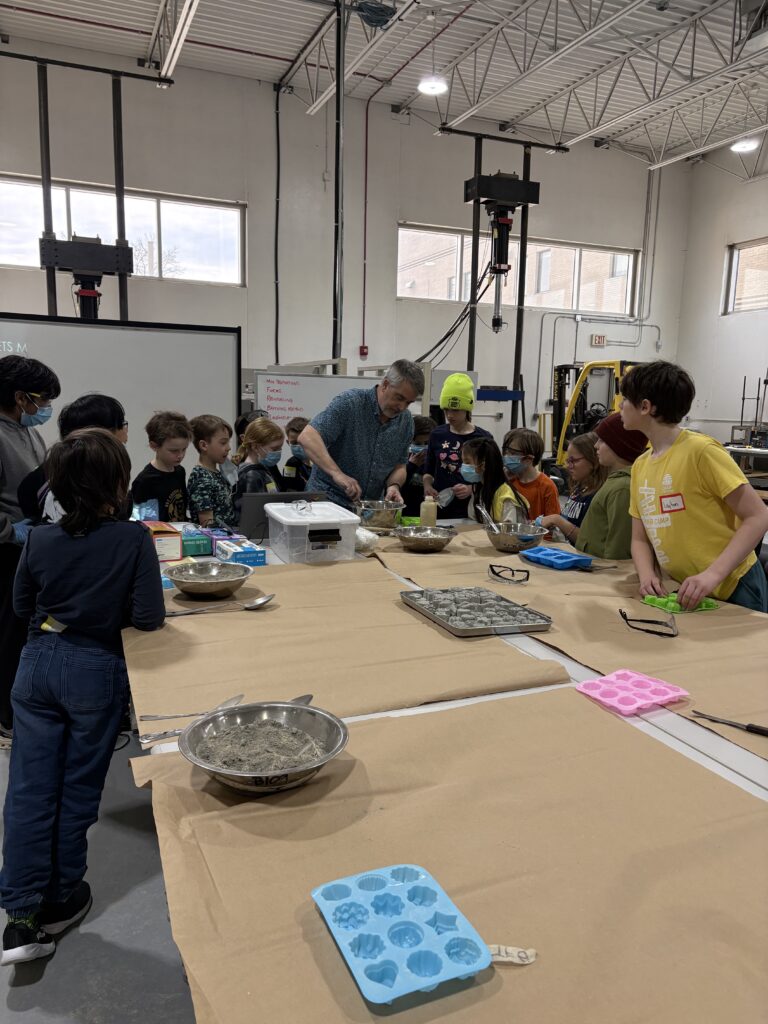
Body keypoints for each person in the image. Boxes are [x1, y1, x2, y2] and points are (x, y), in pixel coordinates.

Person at [0, 428, 165, 965]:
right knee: (76, 790)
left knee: (28, 788)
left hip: (37, 665)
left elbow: (24, 606)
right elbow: (147, 618)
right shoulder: (132, 539)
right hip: (94, 669)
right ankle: (62, 895)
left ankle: (20, 916)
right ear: (119, 486)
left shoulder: (40, 541)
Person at [620, 361, 768, 611]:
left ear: (645, 407)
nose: (620, 406)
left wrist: (712, 575)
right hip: (687, 589)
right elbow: (640, 538)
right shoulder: (640, 465)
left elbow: (758, 516)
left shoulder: (701, 451)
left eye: (625, 399)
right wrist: (647, 575)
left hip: (734, 585)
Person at [0, 355, 61, 740]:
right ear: (20, 396)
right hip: (6, 549)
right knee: (7, 633)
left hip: (31, 546)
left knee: (25, 630)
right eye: (42, 400)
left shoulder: (27, 431)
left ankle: (22, 703)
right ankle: (5, 719)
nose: (44, 409)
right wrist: (9, 530)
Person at [298, 360, 424, 510]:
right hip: (327, 503)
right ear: (385, 384)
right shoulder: (350, 403)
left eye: (409, 403)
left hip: (368, 511)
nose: (402, 407)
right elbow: (307, 437)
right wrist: (337, 474)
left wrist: (394, 486)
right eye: (399, 398)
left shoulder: (406, 421)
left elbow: (400, 466)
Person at [18, 393, 129, 524]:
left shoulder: (34, 480)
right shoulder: (106, 479)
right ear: (102, 435)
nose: (125, 431)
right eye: (122, 424)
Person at [573, 413, 648, 560]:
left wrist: (609, 577)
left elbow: (618, 547)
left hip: (605, 573)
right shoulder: (614, 481)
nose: (596, 445)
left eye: (602, 440)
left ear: (618, 445)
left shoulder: (622, 488)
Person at [422, 373, 492, 520]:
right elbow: (428, 470)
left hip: (471, 508)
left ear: (467, 409)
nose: (449, 415)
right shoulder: (437, 434)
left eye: (455, 410)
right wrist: (427, 486)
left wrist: (471, 489)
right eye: (446, 409)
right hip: (440, 506)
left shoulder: (483, 438)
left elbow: (492, 476)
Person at [539, 432, 608, 544]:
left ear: (594, 460)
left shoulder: (598, 495)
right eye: (567, 461)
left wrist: (557, 520)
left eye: (574, 461)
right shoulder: (579, 488)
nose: (568, 466)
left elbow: (590, 541)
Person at [130, 411, 192, 522]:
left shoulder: (179, 471)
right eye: (174, 451)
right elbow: (141, 522)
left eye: (184, 449)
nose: (181, 455)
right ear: (154, 446)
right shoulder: (145, 481)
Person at [460, 436, 529, 524]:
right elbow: (474, 520)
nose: (463, 467)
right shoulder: (479, 489)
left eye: (467, 462)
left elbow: (508, 532)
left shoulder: (505, 497)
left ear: (483, 465)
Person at [187, 415, 237, 528]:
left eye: (228, 442)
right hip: (215, 541)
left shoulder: (215, 473)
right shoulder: (201, 478)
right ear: (204, 445)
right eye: (223, 443)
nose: (228, 448)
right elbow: (207, 525)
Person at [501, 428, 560, 521]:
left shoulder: (547, 487)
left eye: (512, 453)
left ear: (528, 459)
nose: (506, 456)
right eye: (505, 451)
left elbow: (552, 524)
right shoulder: (508, 480)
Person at [232, 417, 285, 515]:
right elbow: (253, 513)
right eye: (274, 448)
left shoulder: (262, 468)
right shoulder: (251, 475)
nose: (278, 452)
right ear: (255, 446)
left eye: (280, 448)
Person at [401, 415, 437, 517]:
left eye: (426, 443)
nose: (422, 447)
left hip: (429, 513)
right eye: (418, 443)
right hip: (406, 513)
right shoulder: (401, 459)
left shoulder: (437, 461)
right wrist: (411, 466)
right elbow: (397, 487)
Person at [282, 416, 311, 491]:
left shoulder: (319, 461)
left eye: (302, 442)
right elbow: (289, 489)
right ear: (288, 443)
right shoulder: (291, 464)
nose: (299, 446)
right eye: (294, 442)